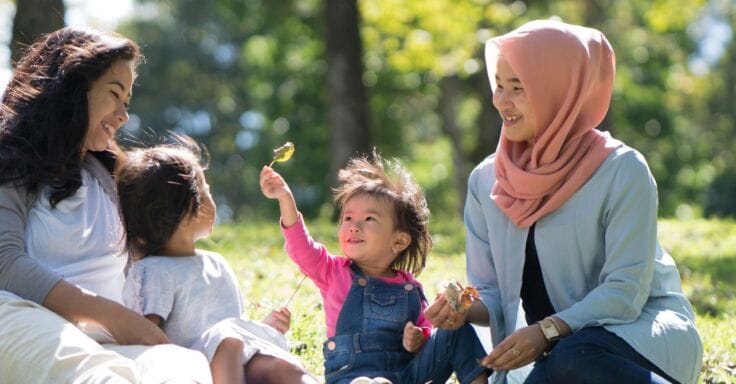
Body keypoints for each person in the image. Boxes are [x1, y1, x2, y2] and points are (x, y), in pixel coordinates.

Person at [425, 19, 703, 384]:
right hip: (552, 357)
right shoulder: (486, 180)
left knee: (572, 357)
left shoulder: (622, 170)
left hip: (636, 336)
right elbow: (491, 293)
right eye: (498, 85)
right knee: (557, 366)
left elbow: (625, 292)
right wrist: (461, 309)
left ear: (557, 90)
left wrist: (548, 331)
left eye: (518, 88)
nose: (501, 101)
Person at [0, 27, 211, 383]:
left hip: (113, 342)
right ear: (69, 88)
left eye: (127, 101)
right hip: (24, 319)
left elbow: (187, 226)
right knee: (95, 374)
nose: (123, 115)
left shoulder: (113, 174)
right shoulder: (11, 163)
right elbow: (5, 262)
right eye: (115, 94)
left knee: (182, 366)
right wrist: (107, 314)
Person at [260, 152, 491, 384]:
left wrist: (419, 338)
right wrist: (285, 198)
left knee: (457, 330)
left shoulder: (410, 287)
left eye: (369, 219)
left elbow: (425, 328)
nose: (354, 226)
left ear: (399, 241)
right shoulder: (333, 272)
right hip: (350, 377)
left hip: (407, 376)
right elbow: (301, 246)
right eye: (348, 218)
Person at [116, 136, 318, 384]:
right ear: (192, 207)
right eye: (207, 191)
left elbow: (233, 322)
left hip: (240, 357)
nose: (212, 198)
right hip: (199, 367)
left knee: (284, 370)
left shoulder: (216, 263)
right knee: (228, 339)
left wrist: (261, 326)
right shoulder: (154, 271)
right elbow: (146, 334)